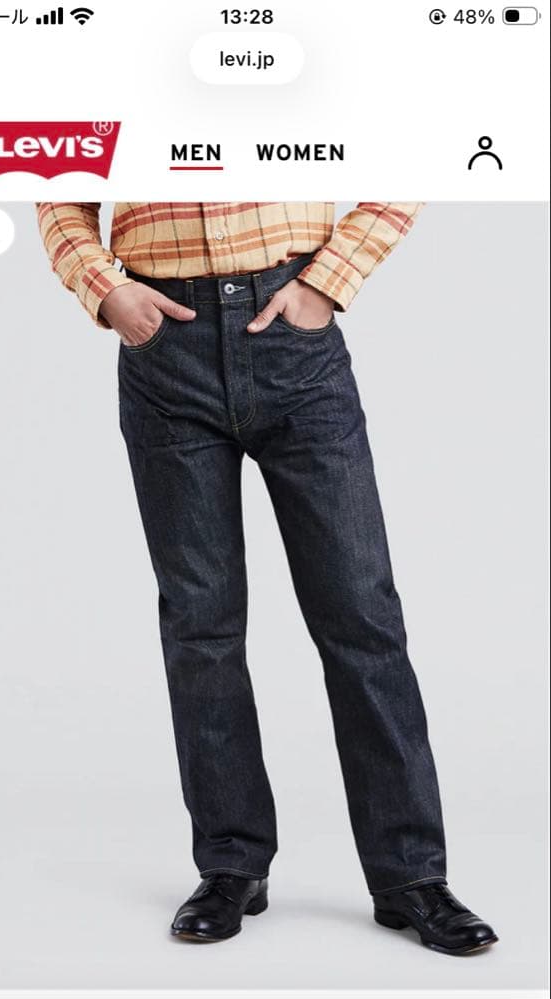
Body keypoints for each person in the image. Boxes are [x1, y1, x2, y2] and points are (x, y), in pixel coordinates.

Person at [37, 202, 498, 955]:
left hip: (294, 337)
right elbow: (58, 185)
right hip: (166, 346)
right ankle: (231, 863)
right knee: (201, 623)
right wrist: (104, 288)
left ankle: (410, 875)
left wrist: (329, 280)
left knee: (362, 616)